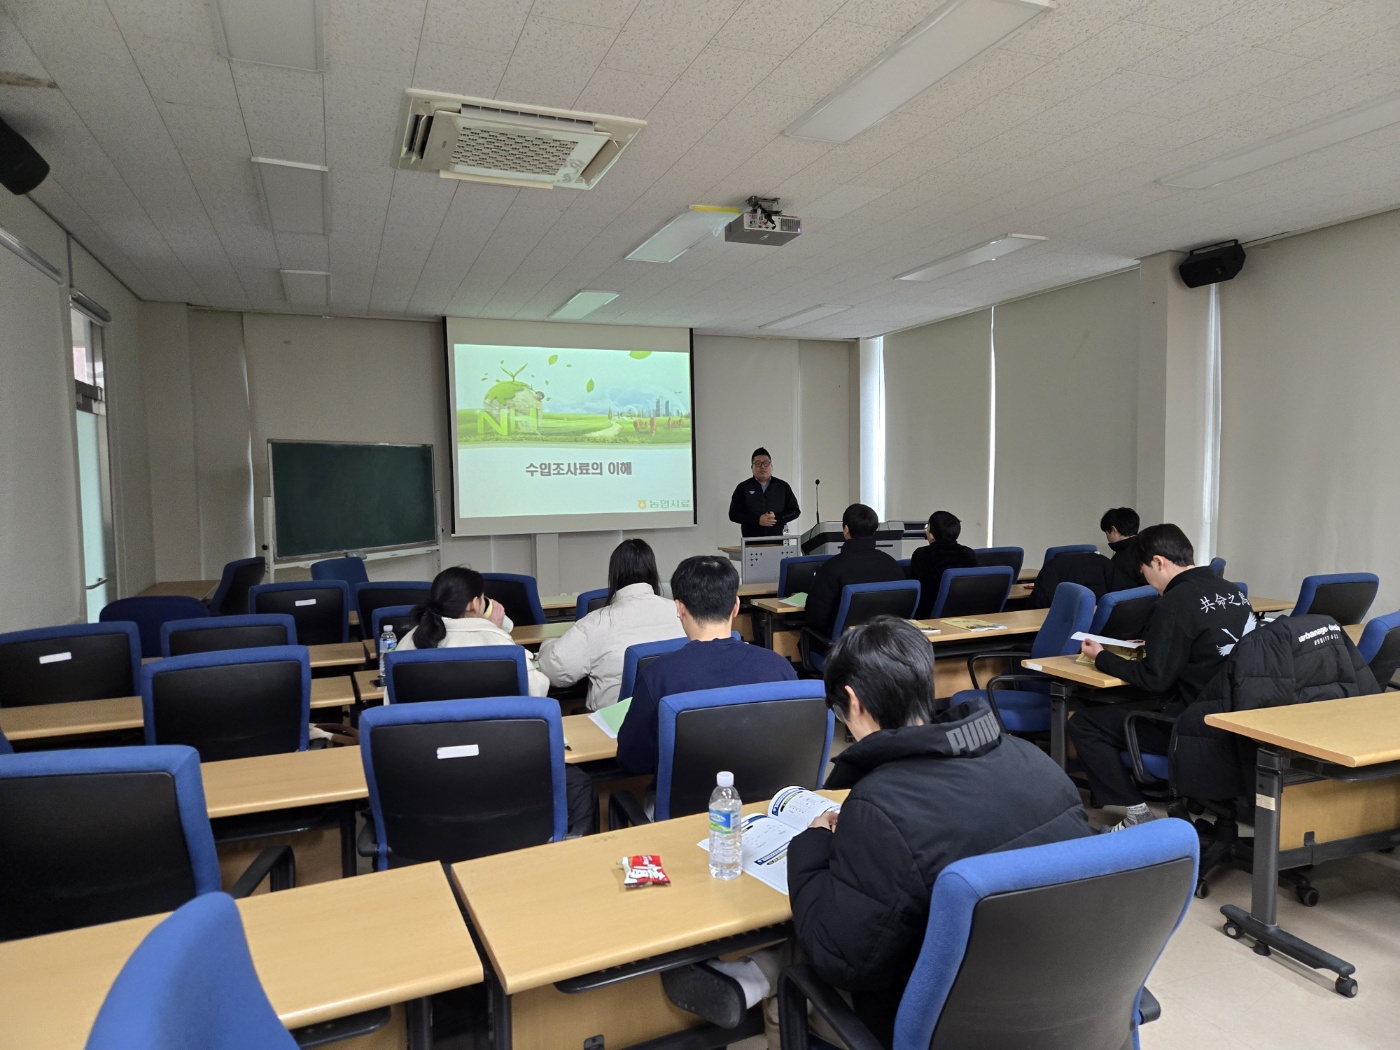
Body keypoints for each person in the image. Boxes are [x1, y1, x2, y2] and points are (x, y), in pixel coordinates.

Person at [776, 618, 1090, 1044]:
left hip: (941, 1028)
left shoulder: (879, 808)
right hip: (1066, 1009)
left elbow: (841, 961)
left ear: (853, 701)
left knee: (789, 981)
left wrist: (813, 842)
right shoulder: (1035, 761)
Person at [1068, 523, 1255, 832]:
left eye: (1144, 572)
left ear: (1158, 562)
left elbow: (1154, 679)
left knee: (1085, 723)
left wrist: (1101, 656)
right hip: (1236, 721)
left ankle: (1135, 813)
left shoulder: (1172, 603)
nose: (1147, 581)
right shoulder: (1232, 591)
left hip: (1192, 726)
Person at [616, 555, 796, 776]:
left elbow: (632, 760)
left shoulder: (657, 675)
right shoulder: (779, 667)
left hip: (686, 798)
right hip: (766, 794)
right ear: (736, 606)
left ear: (680, 608)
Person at [537, 539, 684, 710]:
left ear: (614, 576)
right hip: (669, 717)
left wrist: (547, 644)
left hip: (613, 723)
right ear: (653, 572)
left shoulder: (595, 623)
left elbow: (556, 672)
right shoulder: (682, 614)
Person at [804, 503, 905, 636]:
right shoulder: (893, 565)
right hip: (886, 643)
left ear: (846, 530)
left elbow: (815, 617)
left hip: (845, 644)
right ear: (873, 530)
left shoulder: (832, 567)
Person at [907, 510, 978, 618]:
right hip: (966, 614)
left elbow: (915, 592)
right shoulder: (968, 554)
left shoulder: (922, 555)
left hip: (928, 617)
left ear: (931, 534)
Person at [728, 447, 800, 537]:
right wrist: (757, 520)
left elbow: (795, 511)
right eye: (758, 463)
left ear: (771, 466)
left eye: (766, 463)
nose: (762, 466)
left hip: (777, 540)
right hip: (751, 541)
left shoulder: (782, 487)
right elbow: (733, 514)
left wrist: (776, 518)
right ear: (752, 467)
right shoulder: (743, 487)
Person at [1101, 506, 1145, 588]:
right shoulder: (1151, 547)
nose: (1107, 538)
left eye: (1107, 533)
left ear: (1113, 530)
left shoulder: (1118, 561)